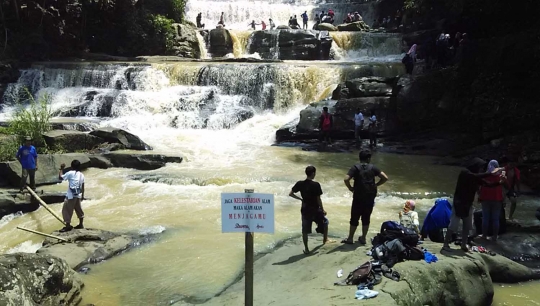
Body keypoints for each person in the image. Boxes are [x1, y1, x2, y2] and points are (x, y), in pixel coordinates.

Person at [442, 158, 505, 252]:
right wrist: (491, 173)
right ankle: (445, 244)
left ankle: (463, 244)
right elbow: (475, 176)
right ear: (475, 166)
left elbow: (487, 184)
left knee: (467, 225)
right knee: (453, 225)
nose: (481, 169)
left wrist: (499, 182)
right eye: (480, 167)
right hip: (459, 203)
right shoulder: (465, 173)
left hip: (468, 203)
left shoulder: (475, 177)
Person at [342, 150, 388, 245]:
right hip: (369, 197)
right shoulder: (373, 168)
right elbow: (385, 178)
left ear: (360, 158)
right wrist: (376, 185)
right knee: (366, 218)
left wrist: (350, 188)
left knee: (354, 217)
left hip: (358, 197)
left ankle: (350, 238)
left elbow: (346, 179)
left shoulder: (355, 168)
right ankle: (363, 238)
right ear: (368, 158)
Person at [289, 166, 329, 254]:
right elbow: (318, 199)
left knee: (305, 230)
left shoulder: (300, 183)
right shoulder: (316, 185)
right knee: (325, 222)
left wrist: (300, 199)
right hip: (315, 209)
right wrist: (323, 209)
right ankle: (325, 240)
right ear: (313, 173)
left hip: (305, 209)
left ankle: (306, 249)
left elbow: (291, 194)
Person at [478, 160, 504, 241]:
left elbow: (480, 188)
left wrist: (479, 197)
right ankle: (495, 237)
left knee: (485, 218)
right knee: (495, 219)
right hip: (497, 199)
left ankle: (484, 235)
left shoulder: (485, 175)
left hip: (485, 199)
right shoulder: (500, 176)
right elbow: (503, 189)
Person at [58, 160, 86, 232]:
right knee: (78, 209)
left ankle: (68, 226)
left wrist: (61, 168)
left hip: (71, 195)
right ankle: (81, 224)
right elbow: (82, 186)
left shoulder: (70, 173)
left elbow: (61, 177)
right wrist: (82, 195)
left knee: (66, 210)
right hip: (78, 195)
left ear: (72, 166)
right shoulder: (81, 175)